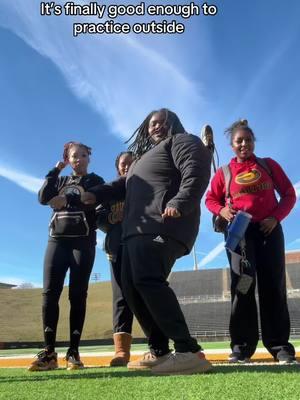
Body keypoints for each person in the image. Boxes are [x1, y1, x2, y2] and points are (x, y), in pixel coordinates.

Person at [82, 108, 212, 375]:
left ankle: (188, 350)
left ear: (173, 123)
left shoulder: (183, 140)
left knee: (147, 279)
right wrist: (93, 194)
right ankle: (160, 350)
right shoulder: (142, 159)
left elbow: (196, 169)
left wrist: (181, 201)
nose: (156, 127)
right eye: (151, 124)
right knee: (131, 286)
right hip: (135, 231)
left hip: (164, 221)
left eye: (161, 122)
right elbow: (121, 185)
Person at [205, 119, 297, 364]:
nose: (244, 143)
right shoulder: (224, 172)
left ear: (254, 142)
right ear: (232, 145)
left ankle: (280, 347)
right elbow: (210, 199)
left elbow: (289, 194)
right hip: (239, 234)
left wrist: (275, 218)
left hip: (269, 230)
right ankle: (241, 347)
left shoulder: (268, 165)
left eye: (248, 139)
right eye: (239, 141)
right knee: (242, 286)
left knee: (273, 286)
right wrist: (222, 211)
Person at [28, 142, 104, 371]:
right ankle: (49, 352)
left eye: (82, 155)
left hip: (83, 242)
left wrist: (67, 201)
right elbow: (43, 197)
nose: (78, 159)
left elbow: (93, 199)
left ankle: (74, 352)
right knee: (49, 293)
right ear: (68, 160)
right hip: (57, 241)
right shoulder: (60, 180)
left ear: (89, 158)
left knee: (78, 295)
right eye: (74, 156)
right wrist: (55, 170)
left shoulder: (95, 180)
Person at [96, 151, 134, 366]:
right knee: (121, 298)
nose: (127, 166)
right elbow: (98, 218)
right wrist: (111, 217)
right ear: (117, 168)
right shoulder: (110, 190)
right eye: (123, 164)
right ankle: (121, 351)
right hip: (116, 249)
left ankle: (158, 345)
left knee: (147, 294)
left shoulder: (145, 186)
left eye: (131, 163)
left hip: (141, 248)